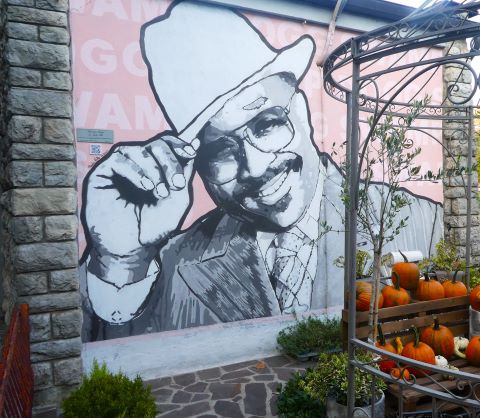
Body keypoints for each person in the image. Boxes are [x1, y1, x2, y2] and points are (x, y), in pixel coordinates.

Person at [80, 1, 443, 341]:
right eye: (220, 149)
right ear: (196, 169)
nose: (254, 167)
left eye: (266, 123)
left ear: (300, 108)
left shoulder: (420, 221)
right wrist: (121, 262)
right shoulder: (172, 262)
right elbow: (110, 358)